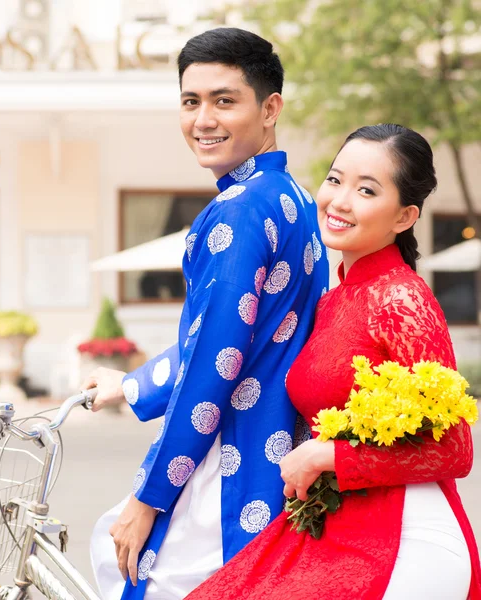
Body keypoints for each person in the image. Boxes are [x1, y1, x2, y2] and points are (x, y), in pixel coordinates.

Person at [184, 124, 481, 600]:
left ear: (405, 217)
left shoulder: (402, 300)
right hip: (337, 524)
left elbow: (455, 451)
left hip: (404, 538)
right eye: (335, 180)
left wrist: (330, 455)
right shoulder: (335, 299)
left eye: (366, 190)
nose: (340, 201)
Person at [83, 27, 328, 600]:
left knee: (124, 560)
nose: (203, 119)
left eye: (224, 100)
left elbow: (215, 365)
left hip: (228, 468)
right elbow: (229, 337)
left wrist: (149, 498)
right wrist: (132, 384)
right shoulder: (293, 196)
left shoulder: (236, 213)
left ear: (270, 109)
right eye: (191, 102)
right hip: (275, 455)